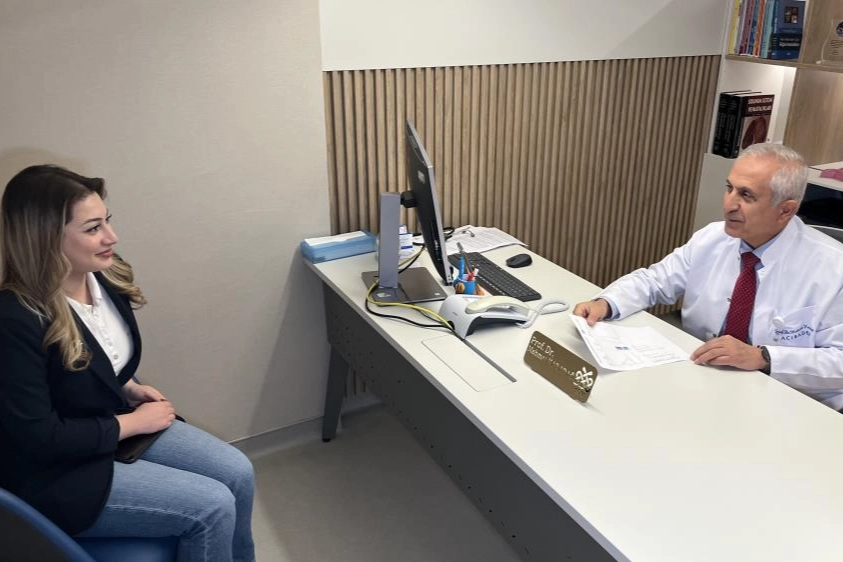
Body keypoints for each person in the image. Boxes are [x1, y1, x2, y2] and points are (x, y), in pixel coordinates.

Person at [0, 165, 255, 561]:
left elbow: (89, 363)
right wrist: (133, 423)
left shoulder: (105, 275)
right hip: (57, 471)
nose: (111, 237)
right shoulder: (14, 319)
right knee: (211, 507)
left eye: (107, 221)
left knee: (238, 473)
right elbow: (38, 437)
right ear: (46, 238)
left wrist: (126, 386)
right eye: (93, 228)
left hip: (110, 421)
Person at [573, 143, 843, 410]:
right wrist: (606, 303)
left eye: (746, 195)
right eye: (729, 188)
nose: (729, 204)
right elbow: (654, 281)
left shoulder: (833, 268)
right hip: (706, 384)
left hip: (794, 404)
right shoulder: (712, 238)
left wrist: (764, 357)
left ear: (785, 210)